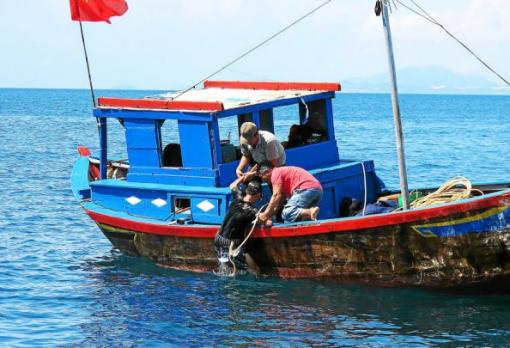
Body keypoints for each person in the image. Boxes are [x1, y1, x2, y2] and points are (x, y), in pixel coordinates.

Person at [214, 168, 262, 276]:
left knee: (225, 271)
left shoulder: (238, 198)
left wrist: (245, 176)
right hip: (232, 244)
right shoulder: (252, 211)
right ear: (258, 195)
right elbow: (266, 222)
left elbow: (232, 185)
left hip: (218, 238)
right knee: (255, 271)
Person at [257, 161, 322, 225]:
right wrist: (268, 216)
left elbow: (276, 195)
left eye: (262, 177)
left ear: (267, 172)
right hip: (317, 190)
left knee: (287, 212)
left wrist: (265, 213)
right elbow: (279, 204)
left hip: (306, 189)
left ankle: (309, 211)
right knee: (298, 220)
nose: (263, 180)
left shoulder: (275, 173)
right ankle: (309, 215)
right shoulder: (282, 177)